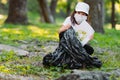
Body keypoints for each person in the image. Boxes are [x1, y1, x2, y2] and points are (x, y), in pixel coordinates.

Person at [43, 2, 102, 69]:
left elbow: (87, 35)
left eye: (83, 14)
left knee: (85, 49)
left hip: (78, 44)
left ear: (86, 16)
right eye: (79, 13)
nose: (80, 15)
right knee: (69, 32)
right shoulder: (69, 20)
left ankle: (80, 51)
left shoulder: (86, 25)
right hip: (66, 44)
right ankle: (79, 53)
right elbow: (59, 32)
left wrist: (89, 37)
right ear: (75, 12)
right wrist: (66, 27)